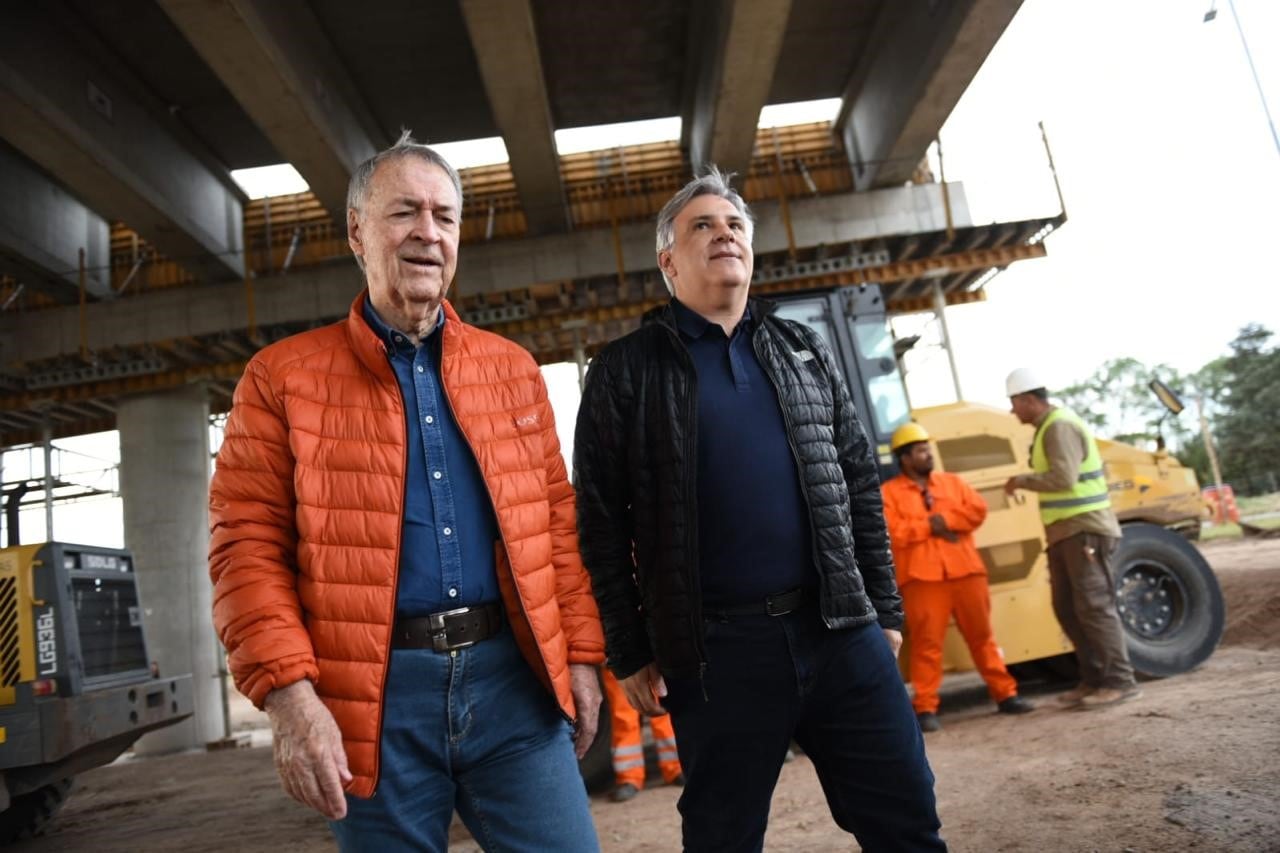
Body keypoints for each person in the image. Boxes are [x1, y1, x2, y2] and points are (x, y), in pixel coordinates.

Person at [209, 131, 605, 851]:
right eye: (404, 213)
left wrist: (579, 654)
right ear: (356, 230)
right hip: (374, 695)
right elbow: (246, 549)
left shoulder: (512, 370)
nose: (428, 232)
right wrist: (291, 698)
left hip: (513, 686)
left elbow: (554, 524)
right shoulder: (280, 378)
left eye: (445, 216)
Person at [573, 168, 945, 852]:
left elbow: (860, 480)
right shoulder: (625, 370)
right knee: (724, 837)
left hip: (838, 630)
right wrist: (629, 648)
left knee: (907, 820)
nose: (725, 234)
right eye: (703, 226)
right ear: (669, 261)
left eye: (736, 225)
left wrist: (884, 611)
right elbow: (599, 521)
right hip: (717, 651)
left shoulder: (803, 349)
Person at [881, 422, 1035, 732]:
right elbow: (894, 533)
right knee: (926, 644)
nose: (928, 455)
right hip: (923, 580)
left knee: (983, 638)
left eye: (928, 449)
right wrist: (930, 525)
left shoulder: (953, 483)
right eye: (922, 451)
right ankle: (925, 709)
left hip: (966, 572)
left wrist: (945, 519)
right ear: (905, 457)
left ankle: (1006, 695)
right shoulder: (888, 494)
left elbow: (976, 511)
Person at [1003, 367, 1141, 709]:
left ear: (1029, 400)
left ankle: (1120, 681)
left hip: (1085, 529)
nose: (1012, 411)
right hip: (1066, 532)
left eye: (1014, 403)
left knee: (1094, 606)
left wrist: (1022, 481)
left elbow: (1063, 478)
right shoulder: (1047, 427)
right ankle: (1093, 678)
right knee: (1067, 608)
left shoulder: (1060, 426)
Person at [600, 668, 684, 802]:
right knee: (623, 717)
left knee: (663, 708)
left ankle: (676, 767)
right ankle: (629, 777)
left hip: (650, 654)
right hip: (614, 658)